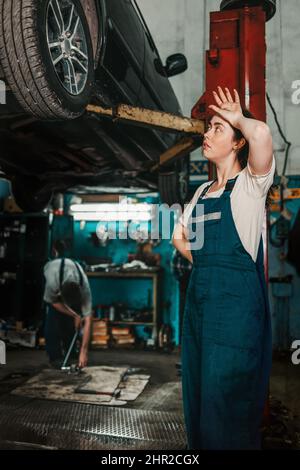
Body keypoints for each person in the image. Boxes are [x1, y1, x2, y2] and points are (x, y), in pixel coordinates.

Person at [172, 86, 276, 450]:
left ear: (236, 143)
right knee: (198, 400)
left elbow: (261, 134)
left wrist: (239, 119)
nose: (207, 133)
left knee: (227, 407)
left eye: (218, 128)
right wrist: (205, 265)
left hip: (234, 317)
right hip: (200, 308)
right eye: (209, 127)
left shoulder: (250, 185)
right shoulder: (201, 193)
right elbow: (178, 238)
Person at [43, 240, 92, 369]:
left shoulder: (84, 286)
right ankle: (55, 357)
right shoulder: (52, 279)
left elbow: (87, 321)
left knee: (71, 325)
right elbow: (54, 302)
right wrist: (74, 314)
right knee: (52, 324)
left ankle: (72, 354)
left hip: (71, 282)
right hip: (55, 290)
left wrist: (84, 351)